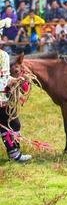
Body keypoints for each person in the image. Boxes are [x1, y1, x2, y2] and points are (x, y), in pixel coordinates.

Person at [0, 18, 32, 162]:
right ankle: (15, 155)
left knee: (13, 124)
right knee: (9, 125)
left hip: (4, 98)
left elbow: (5, 77)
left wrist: (16, 81)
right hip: (2, 99)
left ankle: (15, 154)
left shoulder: (4, 56)